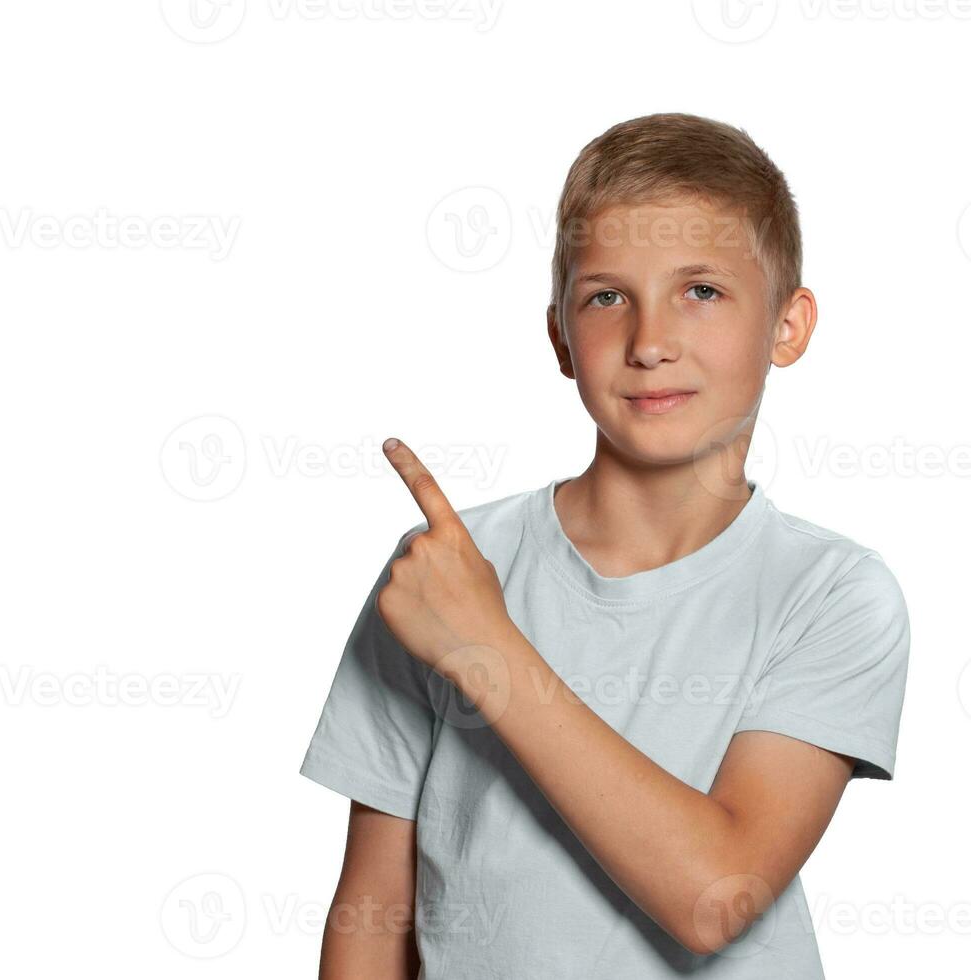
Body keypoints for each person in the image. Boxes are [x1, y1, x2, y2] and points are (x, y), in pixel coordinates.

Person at [299, 111, 911, 978]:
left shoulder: (834, 593)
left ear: (788, 325)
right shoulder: (445, 569)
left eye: (701, 290)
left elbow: (717, 896)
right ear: (559, 336)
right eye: (606, 296)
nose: (651, 343)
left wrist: (488, 649)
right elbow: (371, 913)